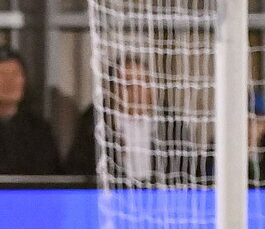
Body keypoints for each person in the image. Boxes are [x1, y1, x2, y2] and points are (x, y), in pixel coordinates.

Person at [65, 56, 207, 185]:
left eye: (141, 83)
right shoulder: (95, 123)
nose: (135, 90)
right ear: (112, 89)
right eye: (127, 84)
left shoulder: (171, 125)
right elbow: (77, 170)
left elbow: (191, 171)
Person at [0, 48, 61, 175]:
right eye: (2, 74)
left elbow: (50, 176)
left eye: (15, 74)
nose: (9, 82)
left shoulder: (38, 129)